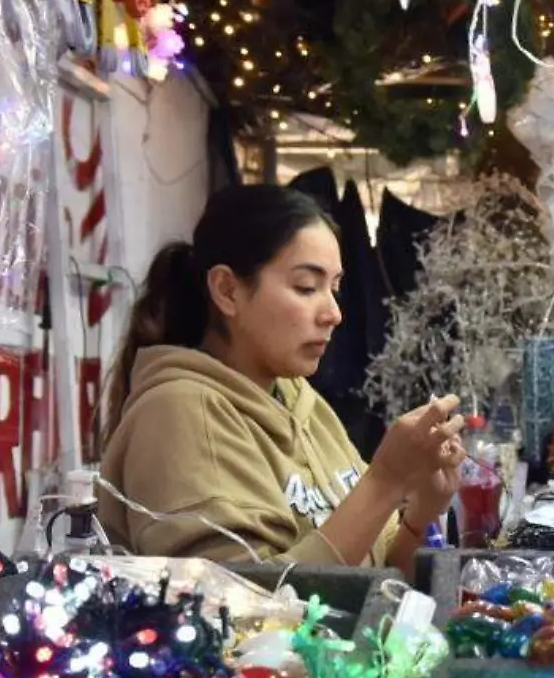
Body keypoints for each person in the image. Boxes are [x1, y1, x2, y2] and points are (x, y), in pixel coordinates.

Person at [100, 185, 464, 576]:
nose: (334, 313)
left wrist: (423, 508)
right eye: (306, 287)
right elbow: (239, 610)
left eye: (335, 287)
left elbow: (382, 572)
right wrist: (385, 482)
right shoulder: (179, 413)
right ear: (227, 290)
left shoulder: (299, 399)